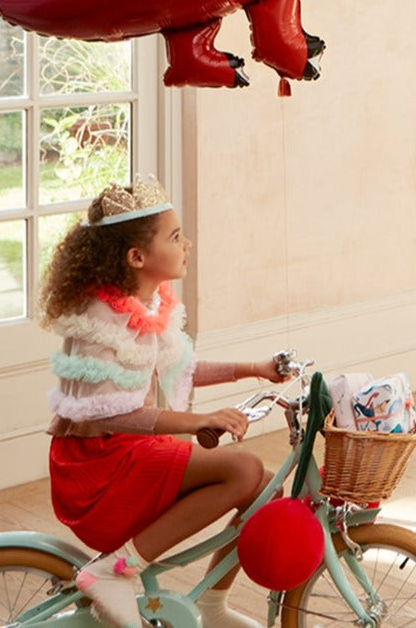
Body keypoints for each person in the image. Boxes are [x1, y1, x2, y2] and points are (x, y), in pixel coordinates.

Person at [40, 176, 288, 628]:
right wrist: (195, 422)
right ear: (137, 257)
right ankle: (115, 570)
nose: (186, 244)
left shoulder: (148, 303)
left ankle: (211, 605)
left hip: (122, 453)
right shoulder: (102, 317)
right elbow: (108, 411)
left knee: (264, 485)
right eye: (175, 237)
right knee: (244, 468)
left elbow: (181, 367)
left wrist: (257, 367)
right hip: (95, 470)